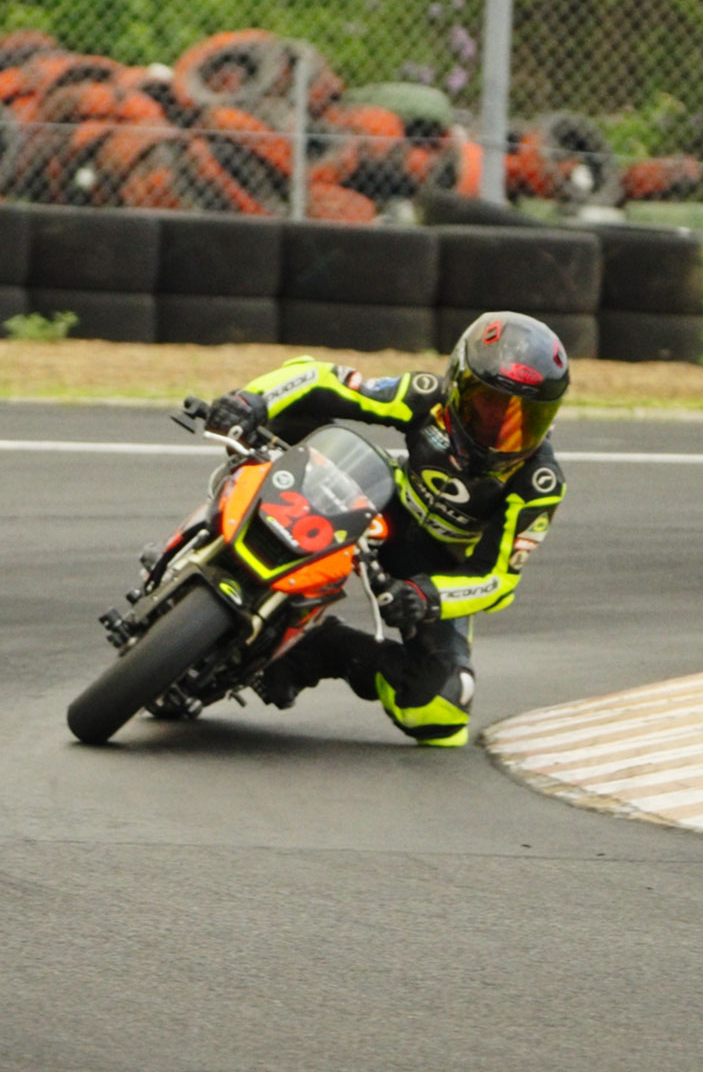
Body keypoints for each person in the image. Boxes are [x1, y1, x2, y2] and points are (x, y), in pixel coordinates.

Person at [203, 310, 569, 747]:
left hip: (430, 567)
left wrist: (425, 596)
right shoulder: (426, 396)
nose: (500, 430)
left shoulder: (539, 483)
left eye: (525, 418)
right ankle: (221, 535)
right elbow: (320, 378)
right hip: (378, 506)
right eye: (487, 407)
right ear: (456, 382)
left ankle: (322, 647)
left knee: (442, 712)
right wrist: (249, 401)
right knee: (294, 412)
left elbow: (497, 579)